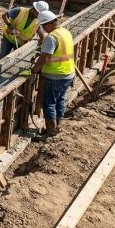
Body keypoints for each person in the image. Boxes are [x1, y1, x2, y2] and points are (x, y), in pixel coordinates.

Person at [31, 10, 75, 139]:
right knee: (60, 100)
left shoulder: (51, 37)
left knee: (48, 103)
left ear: (49, 24)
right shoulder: (65, 32)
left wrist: (35, 69)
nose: (43, 29)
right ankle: (57, 126)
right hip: (68, 73)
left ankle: (50, 132)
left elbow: (45, 57)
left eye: (43, 26)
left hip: (55, 76)